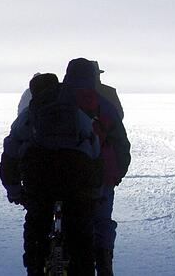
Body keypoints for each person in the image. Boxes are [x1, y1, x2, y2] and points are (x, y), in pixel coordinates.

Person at [0, 72, 103, 276]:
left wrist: (14, 191)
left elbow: (9, 156)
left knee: (37, 227)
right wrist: (94, 192)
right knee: (80, 235)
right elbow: (95, 153)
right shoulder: (77, 114)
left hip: (38, 182)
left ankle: (36, 267)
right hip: (76, 182)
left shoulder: (27, 118)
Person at [64, 59, 131, 276]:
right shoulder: (105, 98)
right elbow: (120, 139)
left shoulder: (55, 98)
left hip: (61, 175)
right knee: (102, 222)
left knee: (70, 221)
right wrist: (117, 173)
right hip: (101, 174)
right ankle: (104, 266)